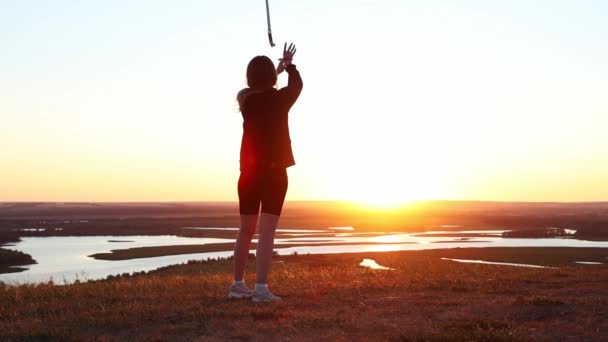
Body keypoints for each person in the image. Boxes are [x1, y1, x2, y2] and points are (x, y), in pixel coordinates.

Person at [229, 43, 303, 302]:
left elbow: (257, 89)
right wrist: (289, 66)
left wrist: (277, 70)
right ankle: (260, 289)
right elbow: (297, 86)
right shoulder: (279, 100)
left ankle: (237, 285)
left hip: (248, 174)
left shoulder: (245, 100)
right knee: (267, 231)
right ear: (272, 78)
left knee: (245, 230)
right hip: (273, 173)